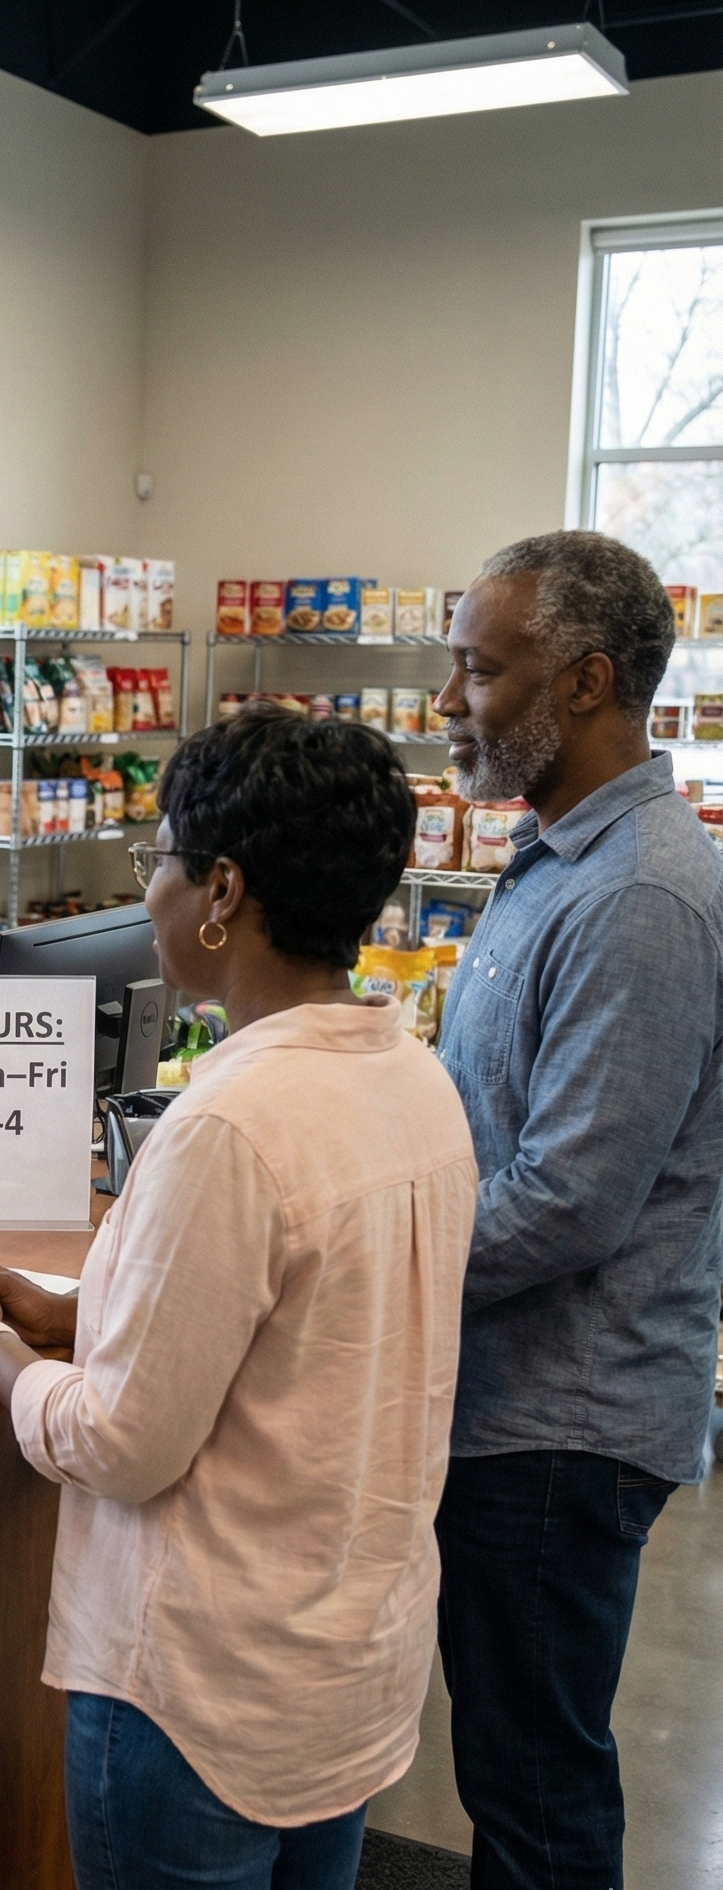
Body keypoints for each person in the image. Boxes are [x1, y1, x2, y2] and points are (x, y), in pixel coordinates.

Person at [0, 705, 478, 1890]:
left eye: (156, 859)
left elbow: (121, 1444)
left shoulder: (228, 1121)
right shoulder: (411, 1075)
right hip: (341, 1668)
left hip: (197, 1697)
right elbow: (306, 1336)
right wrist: (81, 1310)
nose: (151, 892)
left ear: (220, 890)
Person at [428, 530, 723, 1890]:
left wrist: (360, 1257)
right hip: (514, 1397)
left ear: (588, 681)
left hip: (561, 1422)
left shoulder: (642, 894)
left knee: (537, 1792)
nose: (448, 701)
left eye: (480, 669)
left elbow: (568, 1201)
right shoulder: (558, 855)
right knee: (516, 1766)